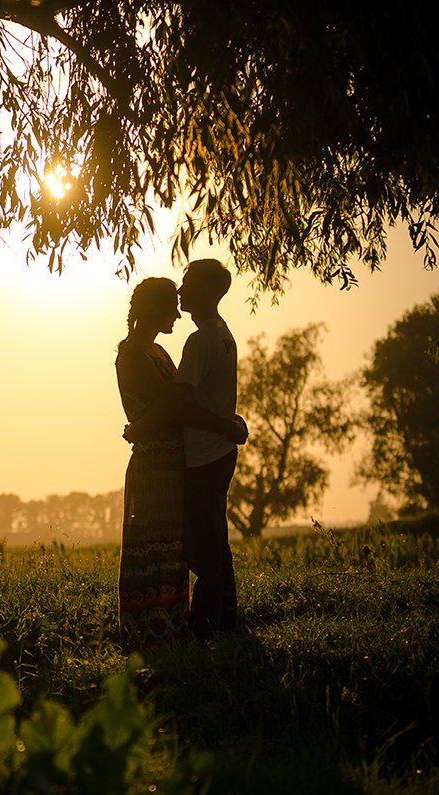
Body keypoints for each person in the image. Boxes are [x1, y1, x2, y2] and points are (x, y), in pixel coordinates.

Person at [115, 277, 245, 650]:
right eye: (170, 305)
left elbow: (177, 403)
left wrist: (140, 426)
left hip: (174, 460)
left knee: (174, 545)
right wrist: (142, 428)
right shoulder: (132, 355)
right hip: (154, 465)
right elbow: (173, 404)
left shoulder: (159, 352)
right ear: (153, 309)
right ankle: (151, 631)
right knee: (153, 545)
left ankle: (175, 626)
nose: (177, 312)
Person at [174, 258, 243, 638]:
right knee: (215, 539)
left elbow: (185, 404)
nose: (181, 293)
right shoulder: (223, 334)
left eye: (187, 286)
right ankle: (226, 620)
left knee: (203, 548)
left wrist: (226, 427)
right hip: (218, 452)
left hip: (204, 455)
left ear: (203, 291)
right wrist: (229, 426)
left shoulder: (201, 340)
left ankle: (204, 628)